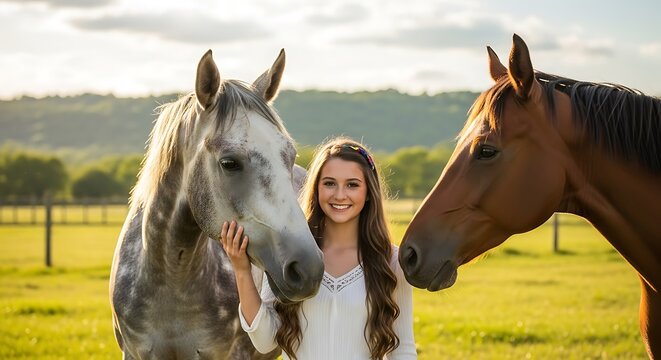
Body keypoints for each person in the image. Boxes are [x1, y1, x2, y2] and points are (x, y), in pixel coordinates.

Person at [220, 137, 416, 360]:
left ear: (369, 192)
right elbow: (265, 341)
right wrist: (242, 271)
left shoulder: (391, 261)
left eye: (352, 184)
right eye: (329, 183)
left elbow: (403, 351)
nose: (340, 195)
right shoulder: (291, 256)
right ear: (316, 188)